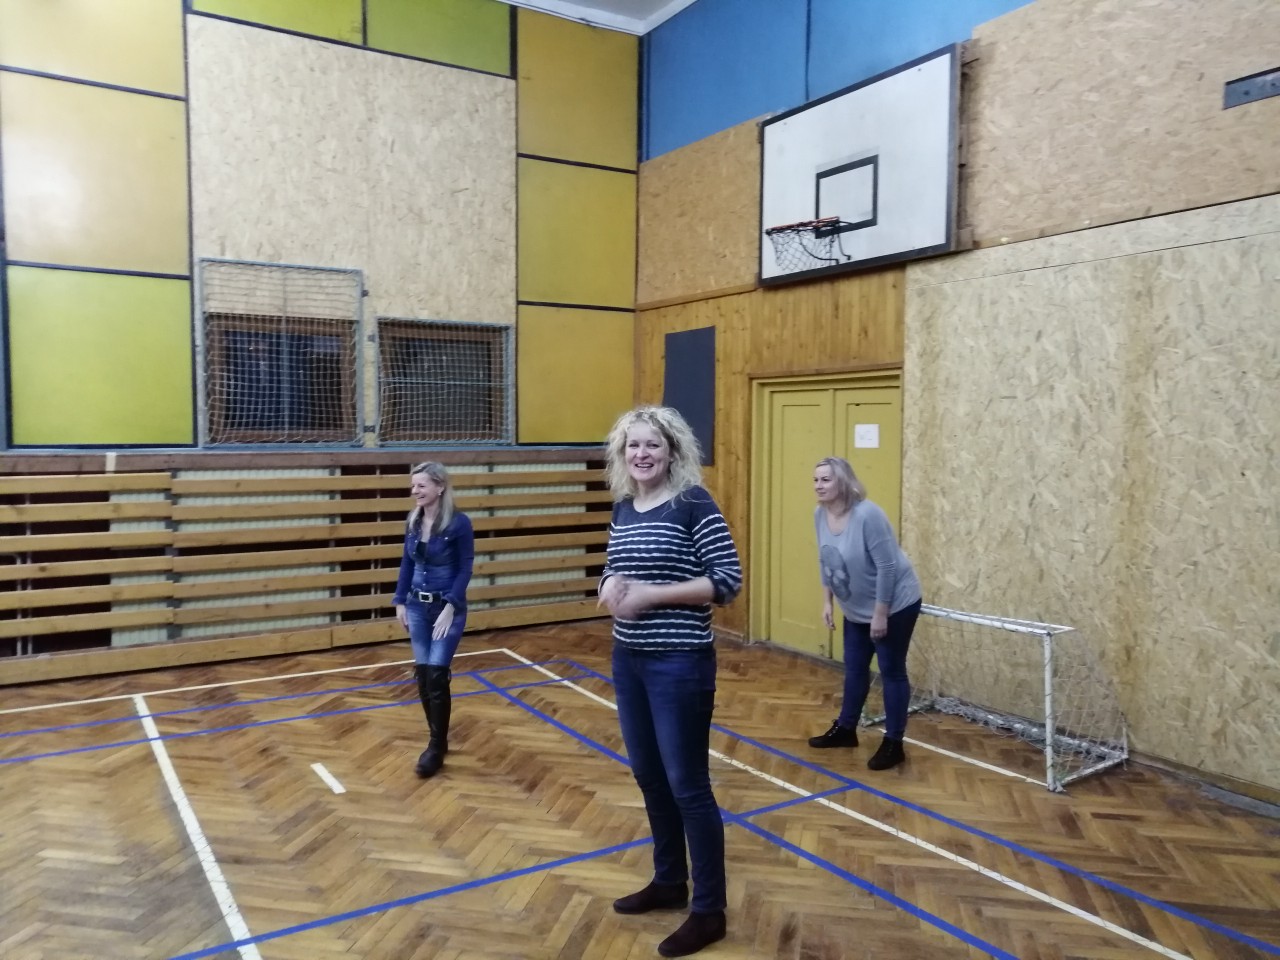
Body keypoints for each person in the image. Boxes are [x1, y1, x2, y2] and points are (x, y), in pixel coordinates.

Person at [597, 406, 742, 959]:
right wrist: (609, 585)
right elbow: (616, 567)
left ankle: (709, 911)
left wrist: (651, 596)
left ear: (672, 452)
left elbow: (727, 581)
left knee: (688, 786)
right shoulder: (624, 508)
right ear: (622, 454)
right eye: (633, 445)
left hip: (680, 663)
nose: (642, 454)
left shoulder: (693, 503)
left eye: (652, 445)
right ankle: (668, 881)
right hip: (628, 660)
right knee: (650, 777)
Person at [808, 457, 922, 771]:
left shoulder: (868, 515)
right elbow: (826, 558)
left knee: (890, 669)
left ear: (843, 481)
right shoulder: (820, 514)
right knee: (855, 667)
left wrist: (881, 614)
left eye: (825, 479)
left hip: (894, 604)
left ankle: (894, 743)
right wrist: (828, 601)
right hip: (856, 609)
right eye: (815, 480)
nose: (818, 486)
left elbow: (887, 566)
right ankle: (846, 729)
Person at [392, 462, 474, 779]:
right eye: (413, 486)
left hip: (446, 609)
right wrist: (400, 600)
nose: (415, 491)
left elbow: (465, 568)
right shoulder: (413, 522)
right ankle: (437, 737)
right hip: (417, 607)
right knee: (424, 675)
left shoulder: (459, 523)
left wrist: (451, 606)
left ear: (440, 487)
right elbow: (406, 563)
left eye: (421, 485)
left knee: (437, 675)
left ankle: (435, 747)